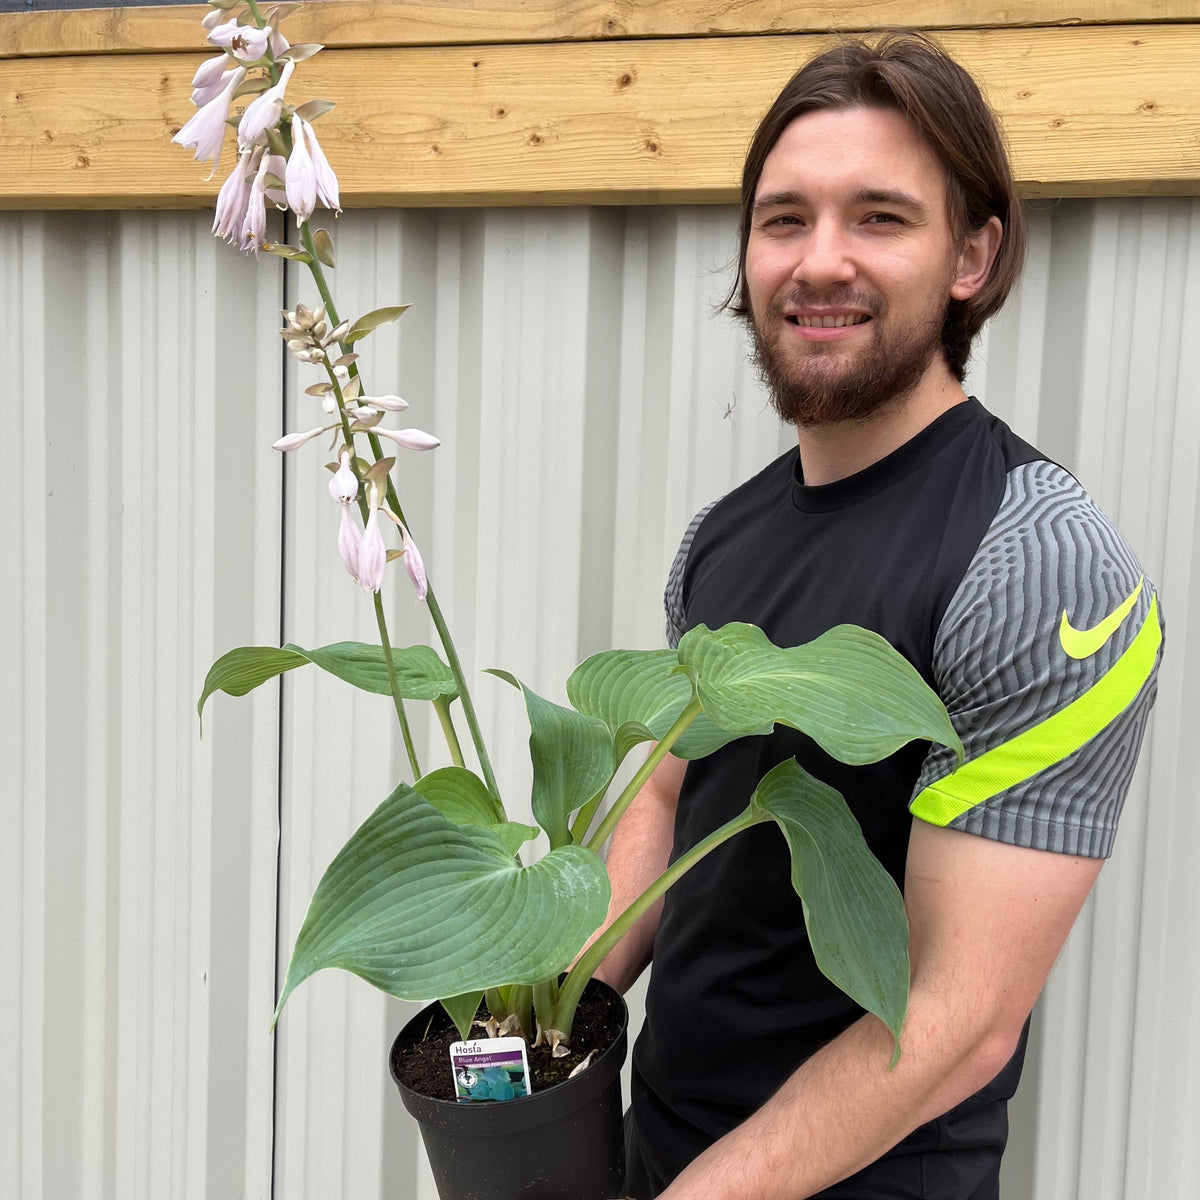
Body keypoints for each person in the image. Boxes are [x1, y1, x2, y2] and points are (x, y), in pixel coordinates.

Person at [593, 31, 1164, 1200]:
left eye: (881, 218)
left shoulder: (1042, 566)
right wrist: (543, 1023)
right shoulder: (725, 533)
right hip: (655, 1152)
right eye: (785, 218)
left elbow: (961, 1019)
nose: (820, 261)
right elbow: (665, 790)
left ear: (973, 254)